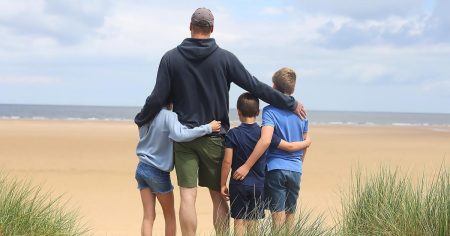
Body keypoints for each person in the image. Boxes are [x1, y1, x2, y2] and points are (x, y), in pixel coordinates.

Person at [134, 8, 307, 236]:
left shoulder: (171, 58)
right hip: (215, 137)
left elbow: (157, 97)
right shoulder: (225, 58)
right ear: (212, 29)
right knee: (217, 194)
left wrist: (141, 118)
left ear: (190, 26)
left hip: (184, 137)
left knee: (188, 195)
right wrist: (288, 102)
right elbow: (254, 86)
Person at [220, 93, 311, 236]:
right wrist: (306, 142)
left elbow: (227, 161)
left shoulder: (233, 134)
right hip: (259, 184)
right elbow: (287, 146)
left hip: (238, 183)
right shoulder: (264, 134)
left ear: (238, 111)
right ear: (258, 112)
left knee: (239, 221)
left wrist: (222, 184)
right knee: (254, 220)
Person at [135, 100, 221, 236]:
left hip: (141, 168)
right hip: (158, 171)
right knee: (169, 216)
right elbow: (180, 135)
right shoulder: (169, 116)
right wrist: (208, 128)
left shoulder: (146, 115)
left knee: (148, 216)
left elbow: (143, 136)